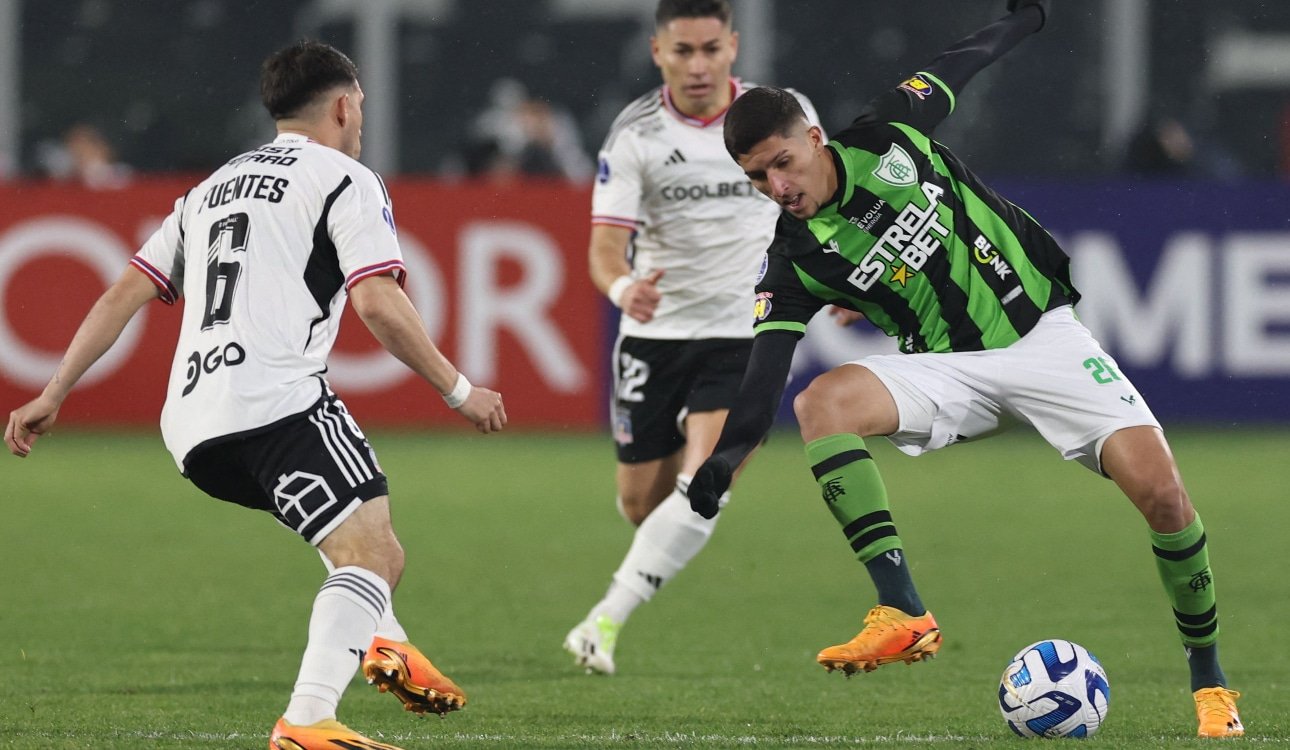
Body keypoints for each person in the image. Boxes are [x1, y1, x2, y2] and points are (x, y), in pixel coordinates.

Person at [687, 1, 1244, 739]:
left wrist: (1028, 18)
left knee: (1167, 500)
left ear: (813, 139)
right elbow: (764, 375)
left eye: (782, 163)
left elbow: (961, 63)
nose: (778, 187)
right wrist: (724, 461)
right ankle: (905, 611)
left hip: (1043, 340)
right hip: (946, 370)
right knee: (822, 402)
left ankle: (1211, 685)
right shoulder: (795, 260)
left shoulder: (891, 134)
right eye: (758, 179)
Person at [5, 40, 507, 750]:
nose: (359, 118)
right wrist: (459, 391)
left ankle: (382, 643)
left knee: (359, 538)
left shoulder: (210, 188)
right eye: (358, 105)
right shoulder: (344, 178)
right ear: (342, 104)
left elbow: (126, 290)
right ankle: (306, 720)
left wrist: (52, 392)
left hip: (191, 428)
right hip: (275, 402)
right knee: (371, 556)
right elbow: (377, 303)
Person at [563, 0, 820, 675]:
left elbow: (825, 205)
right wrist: (624, 291)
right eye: (684, 51)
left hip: (748, 332)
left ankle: (602, 621)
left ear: (733, 46)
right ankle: (638, 573)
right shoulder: (636, 136)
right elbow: (603, 251)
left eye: (711, 49)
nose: (699, 65)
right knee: (640, 504)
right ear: (658, 53)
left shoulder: (784, 113)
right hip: (658, 336)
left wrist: (845, 284)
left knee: (709, 481)